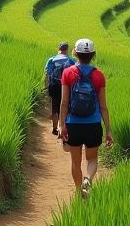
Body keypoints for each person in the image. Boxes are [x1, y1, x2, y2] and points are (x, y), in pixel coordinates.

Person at [59, 38, 113, 198]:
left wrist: (62, 125)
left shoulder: (68, 73)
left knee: (75, 162)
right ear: (93, 55)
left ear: (75, 53)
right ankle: (87, 180)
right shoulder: (99, 76)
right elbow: (103, 106)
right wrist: (108, 129)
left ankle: (78, 192)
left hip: (73, 123)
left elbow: (64, 102)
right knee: (92, 159)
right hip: (93, 124)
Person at [43, 41, 75, 136]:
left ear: (59, 49)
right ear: (67, 49)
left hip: (53, 86)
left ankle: (54, 128)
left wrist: (46, 86)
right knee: (65, 106)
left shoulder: (51, 60)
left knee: (55, 107)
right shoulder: (70, 61)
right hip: (66, 87)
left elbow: (46, 74)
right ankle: (63, 128)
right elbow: (74, 76)